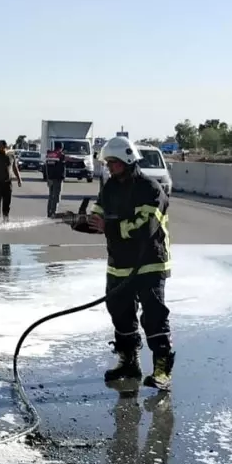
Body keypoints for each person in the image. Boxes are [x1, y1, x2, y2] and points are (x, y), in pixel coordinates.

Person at [74, 136, 174, 393]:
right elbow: (98, 215)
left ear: (129, 160)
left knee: (153, 316)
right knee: (120, 312)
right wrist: (81, 221)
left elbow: (146, 227)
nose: (110, 167)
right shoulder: (109, 188)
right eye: (107, 163)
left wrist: (110, 227)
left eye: (114, 163)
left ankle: (162, 369)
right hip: (119, 264)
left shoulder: (150, 189)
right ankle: (129, 362)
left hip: (149, 263)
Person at [44, 144, 66, 217]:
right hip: (58, 178)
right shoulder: (60, 155)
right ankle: (54, 212)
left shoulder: (49, 155)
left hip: (50, 178)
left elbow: (46, 167)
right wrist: (81, 160)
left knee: (51, 196)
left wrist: (47, 178)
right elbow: (70, 158)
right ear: (61, 148)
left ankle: (49, 212)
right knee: (56, 196)